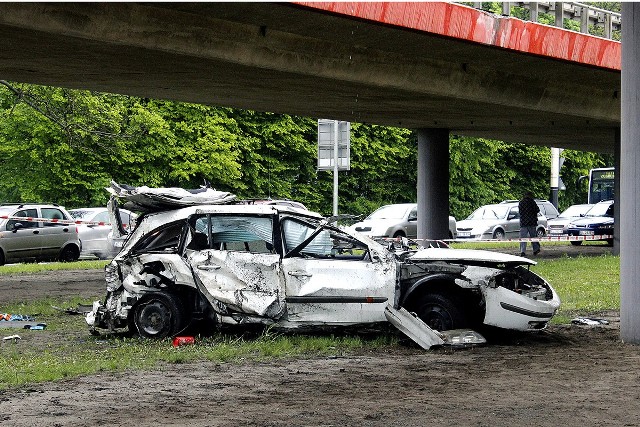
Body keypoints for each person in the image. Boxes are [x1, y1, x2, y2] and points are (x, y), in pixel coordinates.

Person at [518, 191, 540, 256]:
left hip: (523, 222)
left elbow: (520, 212)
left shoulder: (521, 202)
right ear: (530, 196)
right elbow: (537, 210)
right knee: (533, 237)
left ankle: (523, 251)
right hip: (532, 222)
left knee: (523, 238)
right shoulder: (532, 202)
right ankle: (536, 249)